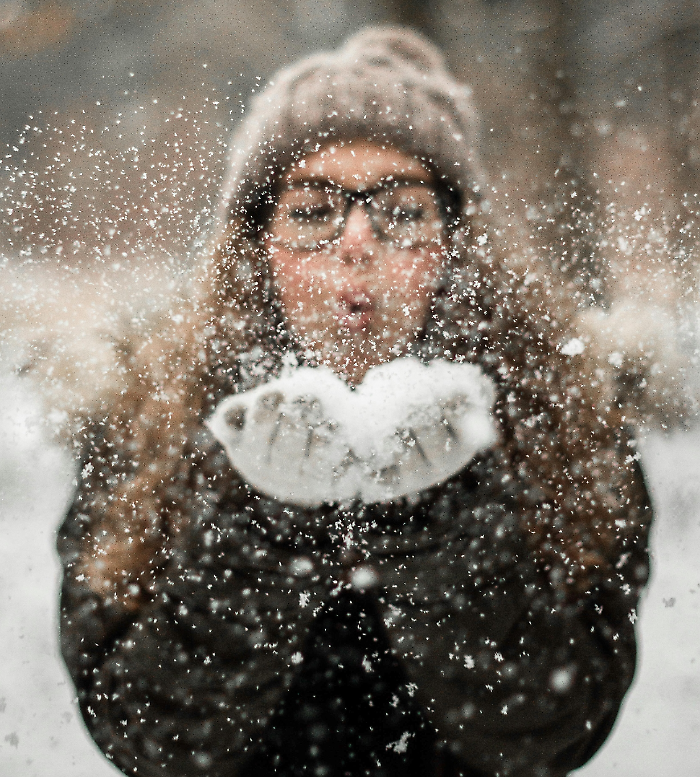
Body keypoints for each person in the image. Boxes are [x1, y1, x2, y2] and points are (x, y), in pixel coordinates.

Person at [57, 27, 653, 777]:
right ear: (255, 242)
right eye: (312, 211)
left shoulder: (563, 413)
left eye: (401, 210)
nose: (357, 240)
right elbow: (141, 733)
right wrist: (264, 532)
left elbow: (557, 729)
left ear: (457, 242)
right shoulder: (150, 417)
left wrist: (438, 521)